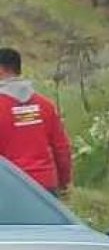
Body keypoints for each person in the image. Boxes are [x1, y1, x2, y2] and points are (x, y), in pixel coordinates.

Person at [0, 48, 73, 195]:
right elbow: (61, 148)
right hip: (45, 186)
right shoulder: (45, 105)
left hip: (9, 188)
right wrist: (64, 181)